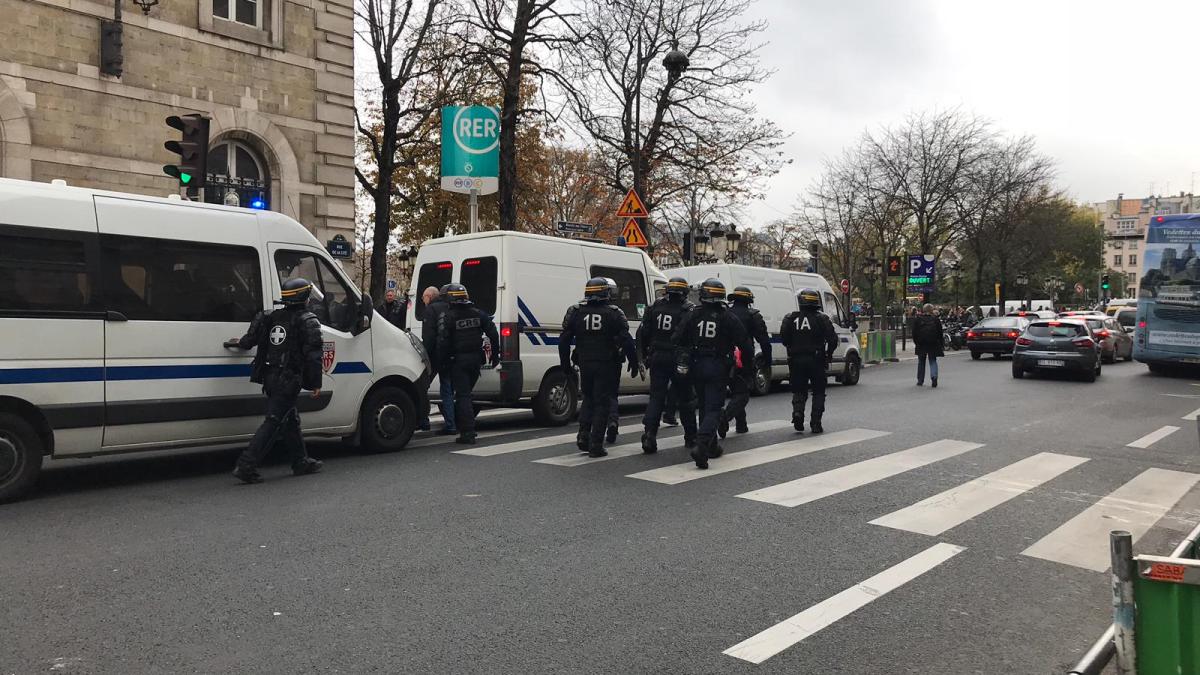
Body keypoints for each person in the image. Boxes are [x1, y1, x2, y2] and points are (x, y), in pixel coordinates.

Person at [226, 277, 324, 484]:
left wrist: (237, 342)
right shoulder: (308, 321)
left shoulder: (269, 316)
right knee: (274, 421)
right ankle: (246, 465)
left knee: (289, 418)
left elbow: (249, 340)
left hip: (268, 376)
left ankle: (300, 461)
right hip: (288, 378)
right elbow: (314, 355)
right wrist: (315, 383)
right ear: (304, 297)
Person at [674, 278, 750, 469]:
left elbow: (677, 338)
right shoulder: (728, 317)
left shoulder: (694, 314)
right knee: (714, 409)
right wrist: (745, 369)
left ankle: (712, 445)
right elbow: (746, 345)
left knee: (703, 405)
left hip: (697, 364)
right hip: (718, 366)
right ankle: (702, 446)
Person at [560, 277, 638, 457]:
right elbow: (626, 340)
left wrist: (565, 364)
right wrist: (633, 362)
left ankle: (583, 435)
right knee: (602, 402)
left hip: (585, 363)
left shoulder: (575, 311)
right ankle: (595, 443)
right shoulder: (614, 312)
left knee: (588, 399)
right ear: (605, 293)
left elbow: (564, 340)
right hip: (607, 364)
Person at [637, 277, 698, 453]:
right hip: (679, 358)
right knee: (686, 398)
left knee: (656, 397)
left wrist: (644, 355)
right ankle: (691, 437)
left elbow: (643, 333)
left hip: (657, 356)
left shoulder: (655, 307)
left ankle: (649, 435)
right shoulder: (688, 309)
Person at [436, 284, 499, 444]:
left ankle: (468, 433)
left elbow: (443, 343)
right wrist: (495, 355)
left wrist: (441, 362)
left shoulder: (448, 317)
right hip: (475, 361)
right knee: (466, 395)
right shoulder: (479, 314)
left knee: (463, 396)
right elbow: (493, 333)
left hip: (458, 362)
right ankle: (465, 425)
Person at [781, 288, 837, 434]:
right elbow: (833, 340)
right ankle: (815, 423)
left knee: (799, 389)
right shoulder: (822, 318)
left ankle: (798, 413)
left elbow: (784, 339)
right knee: (818, 391)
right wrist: (828, 354)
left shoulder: (790, 318)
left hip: (796, 359)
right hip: (816, 359)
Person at [721, 286, 772, 437]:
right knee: (742, 393)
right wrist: (767, 361)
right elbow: (763, 340)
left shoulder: (725, 313)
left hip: (724, 357)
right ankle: (724, 418)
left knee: (737, 389)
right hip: (743, 358)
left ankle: (741, 425)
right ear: (749, 300)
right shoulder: (753, 315)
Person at [422, 285, 456, 435]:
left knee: (422, 387)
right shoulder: (450, 306)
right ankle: (451, 424)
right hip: (450, 354)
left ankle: (423, 421)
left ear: (429, 297)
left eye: (423, 297)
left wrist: (425, 356)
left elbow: (429, 337)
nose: (423, 301)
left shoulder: (430, 310)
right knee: (448, 390)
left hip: (435, 356)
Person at [912, 303, 945, 387]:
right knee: (932, 360)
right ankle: (934, 377)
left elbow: (914, 333)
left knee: (921, 361)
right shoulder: (935, 319)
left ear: (923, 310)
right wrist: (941, 343)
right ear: (931, 310)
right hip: (933, 342)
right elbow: (940, 333)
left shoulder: (918, 319)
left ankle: (920, 380)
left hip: (921, 343)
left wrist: (917, 342)